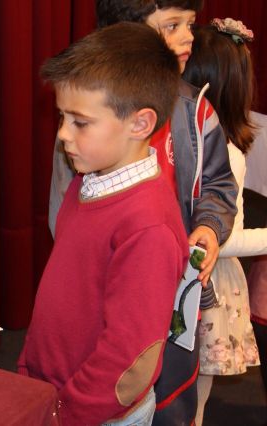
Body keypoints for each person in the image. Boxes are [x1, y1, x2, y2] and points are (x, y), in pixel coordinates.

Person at [48, 1, 239, 423]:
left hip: (166, 288)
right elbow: (65, 218)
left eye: (189, 24)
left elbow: (219, 186)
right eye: (172, 25)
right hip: (99, 295)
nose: (189, 37)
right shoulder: (88, 124)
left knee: (164, 392)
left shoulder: (196, 112)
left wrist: (207, 227)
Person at [17, 22, 189, 425]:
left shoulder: (147, 226)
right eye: (62, 117)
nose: (62, 134)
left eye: (79, 122)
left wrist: (64, 413)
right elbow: (60, 302)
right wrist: (30, 374)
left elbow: (130, 363)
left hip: (93, 414)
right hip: (53, 392)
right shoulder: (87, 183)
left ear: (140, 124)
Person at [182, 18, 266, 425]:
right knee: (193, 399)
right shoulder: (228, 152)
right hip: (210, 283)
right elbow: (226, 240)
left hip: (190, 276)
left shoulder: (187, 138)